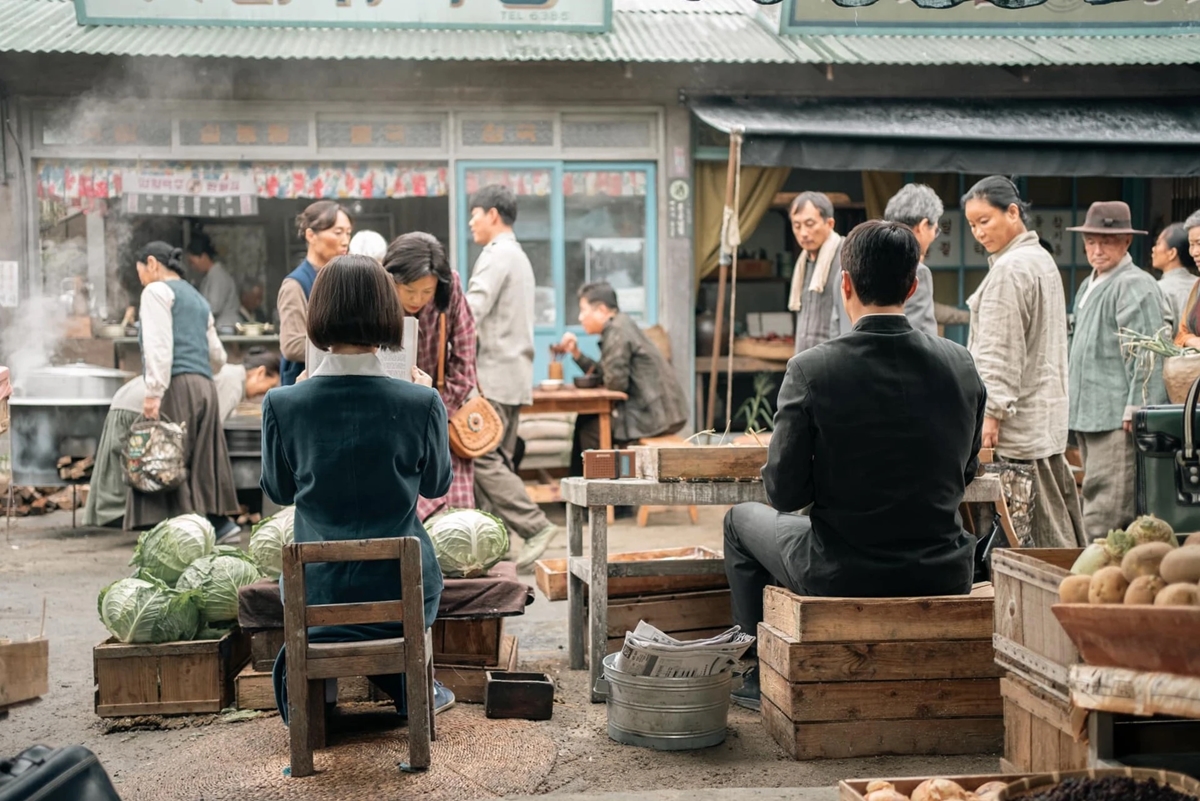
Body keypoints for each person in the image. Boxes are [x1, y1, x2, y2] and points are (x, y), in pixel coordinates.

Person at [722, 221, 986, 711]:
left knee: (739, 520)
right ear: (913, 285)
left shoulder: (811, 368)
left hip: (842, 571)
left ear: (845, 284)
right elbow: (965, 472)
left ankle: (756, 674)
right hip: (943, 570)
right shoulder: (962, 363)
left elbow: (783, 495)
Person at [261, 254, 456, 721]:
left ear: (319, 317)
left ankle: (317, 695)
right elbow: (436, 483)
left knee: (316, 626)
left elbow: (279, 490)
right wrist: (431, 405)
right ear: (388, 317)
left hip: (315, 594)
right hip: (403, 592)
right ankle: (412, 685)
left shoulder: (282, 404)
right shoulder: (421, 400)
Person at [962, 176, 1085, 549]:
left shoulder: (1011, 269)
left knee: (1023, 536)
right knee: (1051, 528)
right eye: (971, 225)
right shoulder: (1038, 259)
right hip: (1041, 419)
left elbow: (1000, 351)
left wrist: (991, 413)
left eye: (985, 220)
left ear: (1013, 212)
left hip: (1017, 428)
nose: (978, 232)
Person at [464, 184, 559, 570]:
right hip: (514, 373)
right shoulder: (517, 256)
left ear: (492, 214)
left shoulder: (497, 255)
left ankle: (535, 525)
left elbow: (471, 312)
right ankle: (494, 544)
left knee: (481, 457)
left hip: (494, 375)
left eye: (474, 214)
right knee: (496, 461)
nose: (471, 221)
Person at [84, 350, 280, 529]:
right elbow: (209, 432)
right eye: (266, 388)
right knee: (145, 467)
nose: (261, 395)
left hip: (126, 400)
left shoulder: (227, 372)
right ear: (260, 373)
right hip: (139, 407)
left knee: (130, 466)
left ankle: (132, 517)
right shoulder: (234, 383)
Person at [124, 242, 240, 536]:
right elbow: (218, 356)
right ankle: (218, 523)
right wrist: (200, 373)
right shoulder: (198, 298)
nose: (141, 280)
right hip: (204, 386)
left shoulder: (156, 291)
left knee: (167, 456)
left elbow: (158, 346)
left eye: (140, 272)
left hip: (176, 383)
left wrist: (154, 392)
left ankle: (181, 531)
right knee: (202, 457)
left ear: (151, 263)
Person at [1067, 201, 1167, 541]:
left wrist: (1138, 407)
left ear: (1126, 241)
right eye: (1091, 241)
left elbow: (1147, 352)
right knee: (1096, 495)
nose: (1097, 250)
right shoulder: (1089, 284)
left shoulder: (1134, 284)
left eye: (1106, 242)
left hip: (1116, 416)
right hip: (1090, 411)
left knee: (1109, 508)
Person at [382, 232, 477, 521]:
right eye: (409, 290)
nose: (417, 300)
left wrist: (438, 409)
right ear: (391, 277)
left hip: (440, 408)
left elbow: (465, 353)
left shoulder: (452, 287)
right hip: (388, 412)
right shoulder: (375, 290)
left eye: (427, 292)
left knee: (453, 507)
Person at [557, 282, 688, 476]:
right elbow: (606, 373)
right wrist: (576, 353)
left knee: (592, 428)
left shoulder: (617, 331)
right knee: (587, 420)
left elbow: (615, 384)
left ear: (601, 310)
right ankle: (582, 493)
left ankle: (610, 499)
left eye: (583, 310)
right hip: (657, 410)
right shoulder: (620, 325)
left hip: (655, 415)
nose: (580, 317)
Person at [278, 201, 353, 387]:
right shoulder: (295, 285)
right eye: (338, 232)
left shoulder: (344, 279)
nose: (345, 240)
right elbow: (292, 346)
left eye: (348, 232)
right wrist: (347, 345)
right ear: (311, 235)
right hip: (306, 386)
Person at [879, 183, 941, 337]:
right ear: (923, 225)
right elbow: (912, 337)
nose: (934, 236)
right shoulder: (916, 271)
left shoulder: (848, 267)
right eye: (935, 230)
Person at [786, 191, 844, 354]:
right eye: (797, 226)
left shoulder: (847, 258)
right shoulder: (803, 263)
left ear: (830, 223)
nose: (803, 233)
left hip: (835, 359)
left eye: (810, 224)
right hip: (805, 360)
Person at [185, 233, 240, 328]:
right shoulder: (209, 276)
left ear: (203, 256)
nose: (192, 267)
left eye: (192, 262)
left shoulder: (218, 276)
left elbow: (214, 307)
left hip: (225, 326)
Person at [1152, 222, 1199, 331]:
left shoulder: (1159, 288)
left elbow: (1162, 337)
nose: (1153, 249)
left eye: (1158, 244)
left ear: (1172, 253)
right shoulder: (1197, 283)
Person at [1173, 212, 1200, 348]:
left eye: (1199, 243)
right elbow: (1181, 334)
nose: (1194, 252)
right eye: (1191, 244)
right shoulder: (1198, 287)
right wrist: (1193, 341)